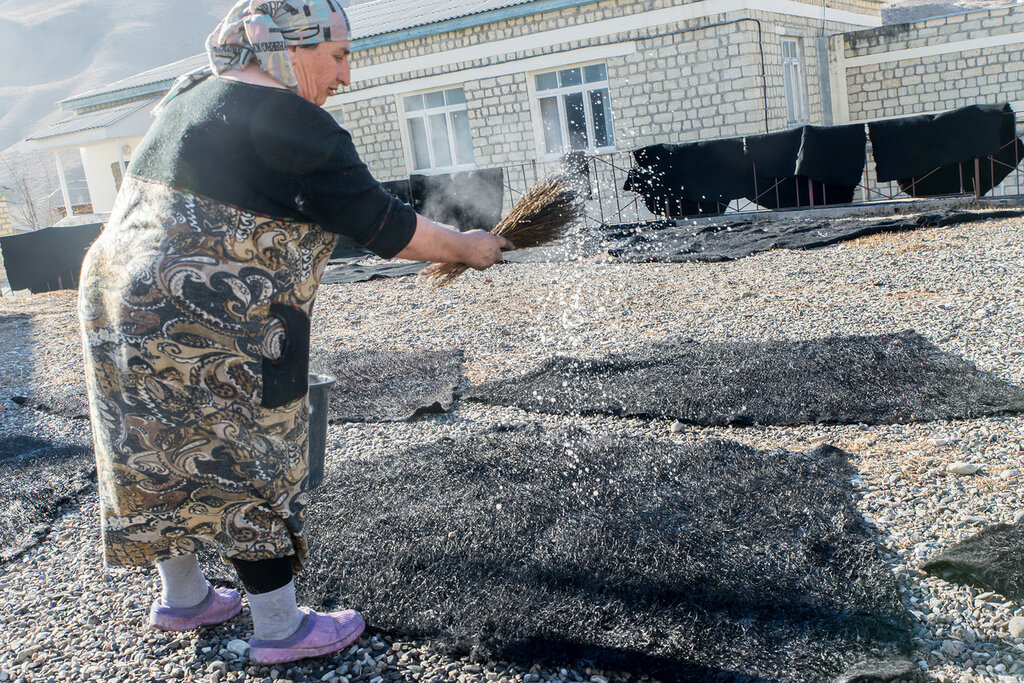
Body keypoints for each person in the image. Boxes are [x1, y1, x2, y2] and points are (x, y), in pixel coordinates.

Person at [77, 0, 512, 666]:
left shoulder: (190, 94)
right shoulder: (296, 123)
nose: (344, 77)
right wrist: (467, 248)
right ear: (291, 46)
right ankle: (280, 627)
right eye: (338, 56)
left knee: (153, 440)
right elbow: (390, 229)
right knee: (245, 447)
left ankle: (185, 596)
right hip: (214, 305)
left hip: (111, 291)